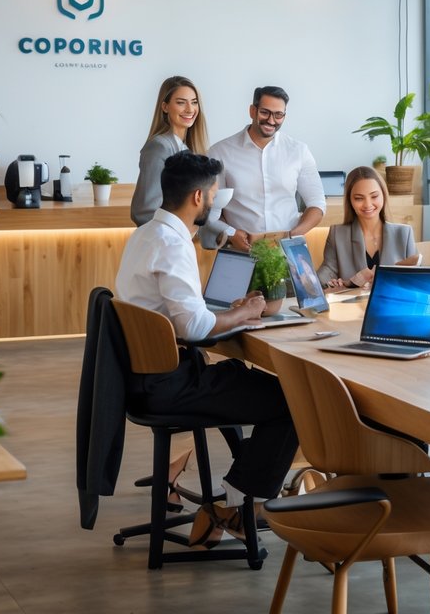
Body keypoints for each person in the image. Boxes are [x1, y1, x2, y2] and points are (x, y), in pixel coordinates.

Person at [115, 150, 299, 548]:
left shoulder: (145, 234)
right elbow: (195, 327)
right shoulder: (172, 243)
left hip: (147, 378)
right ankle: (235, 505)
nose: (215, 201)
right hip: (169, 385)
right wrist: (246, 312)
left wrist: (228, 312)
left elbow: (181, 314)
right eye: (214, 193)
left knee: (245, 380)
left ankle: (237, 494)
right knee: (291, 400)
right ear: (198, 197)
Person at [202, 85, 325, 250]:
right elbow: (210, 208)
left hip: (287, 252)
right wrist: (230, 233)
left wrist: (292, 236)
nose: (271, 120)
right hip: (241, 252)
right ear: (252, 111)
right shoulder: (220, 152)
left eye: (278, 115)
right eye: (265, 112)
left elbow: (317, 204)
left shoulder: (299, 151)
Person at [130, 76, 225, 242]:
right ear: (165, 107)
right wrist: (177, 240)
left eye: (194, 102)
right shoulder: (159, 147)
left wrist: (225, 233)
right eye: (181, 102)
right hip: (163, 246)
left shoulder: (189, 150)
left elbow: (190, 212)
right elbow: (144, 211)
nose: (190, 109)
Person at [317, 166, 416, 289]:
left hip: (392, 305)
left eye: (374, 196)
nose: (368, 204)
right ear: (350, 200)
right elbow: (324, 276)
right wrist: (326, 282)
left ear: (383, 195)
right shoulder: (337, 234)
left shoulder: (404, 234)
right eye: (359, 198)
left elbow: (415, 282)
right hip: (351, 307)